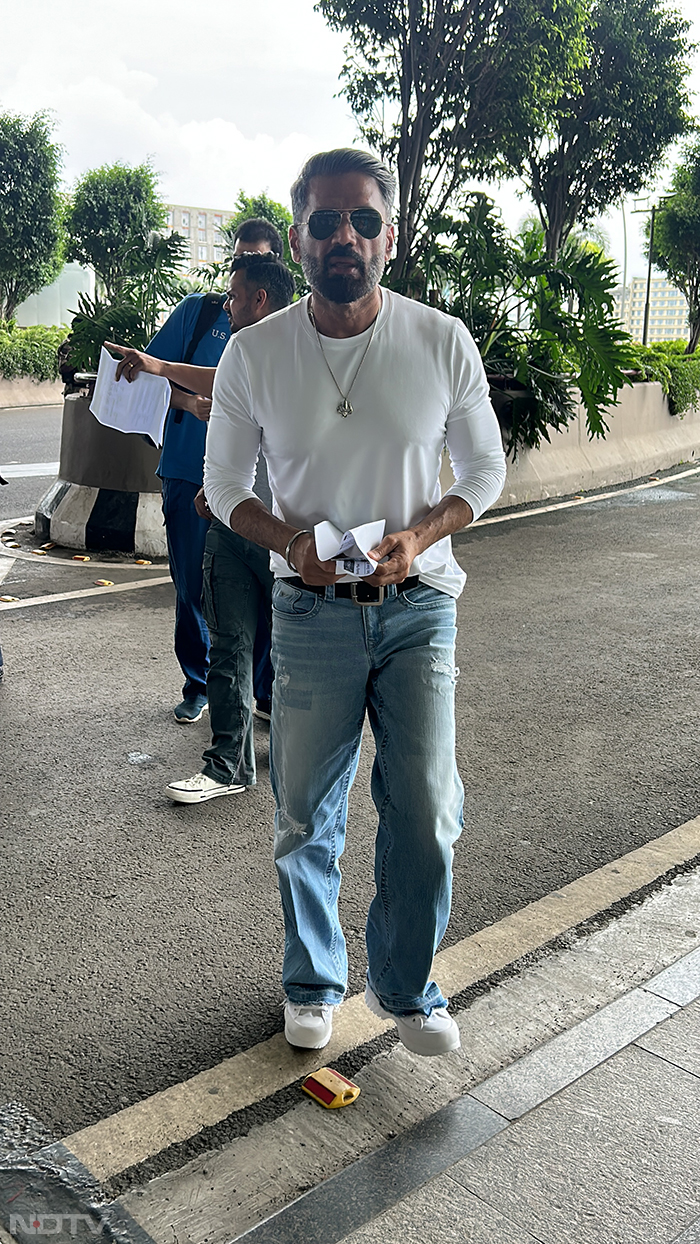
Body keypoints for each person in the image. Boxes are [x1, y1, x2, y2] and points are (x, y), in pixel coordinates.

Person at [204, 148, 507, 1058]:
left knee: (424, 805)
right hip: (308, 610)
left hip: (419, 603)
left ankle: (408, 989)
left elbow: (486, 470)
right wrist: (293, 544)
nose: (346, 237)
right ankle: (312, 979)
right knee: (305, 806)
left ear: (390, 233)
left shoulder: (441, 339)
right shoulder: (254, 354)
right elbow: (225, 488)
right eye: (327, 221)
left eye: (364, 220)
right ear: (297, 235)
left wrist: (419, 535)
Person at [107, 253, 296, 803]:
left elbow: (231, 395)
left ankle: (299, 755)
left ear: (260, 298)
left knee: (288, 646)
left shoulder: (300, 345)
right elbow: (225, 402)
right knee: (230, 643)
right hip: (226, 520)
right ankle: (227, 764)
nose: (228, 304)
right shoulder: (242, 350)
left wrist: (161, 369)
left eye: (235, 295)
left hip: (285, 533)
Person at [144, 217, 283, 724]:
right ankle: (200, 683)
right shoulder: (198, 315)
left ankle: (261, 690)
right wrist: (190, 402)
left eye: (253, 260)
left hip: (257, 486)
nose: (239, 271)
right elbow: (148, 375)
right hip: (188, 469)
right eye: (236, 259)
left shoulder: (290, 332)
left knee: (265, 588)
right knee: (191, 585)